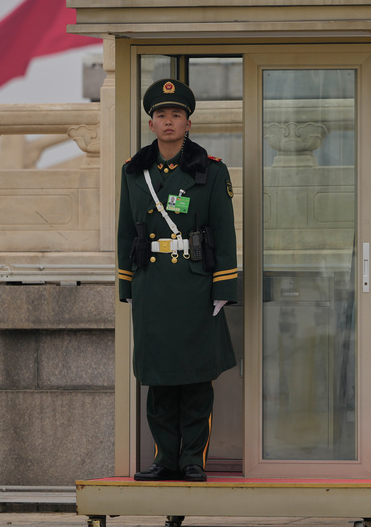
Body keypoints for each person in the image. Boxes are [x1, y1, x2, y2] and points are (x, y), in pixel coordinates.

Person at [117, 78, 238, 483]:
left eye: (176, 115)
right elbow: (124, 234)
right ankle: (164, 458)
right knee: (160, 380)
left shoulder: (211, 171)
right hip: (152, 285)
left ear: (188, 124)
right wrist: (127, 286)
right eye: (160, 115)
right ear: (150, 124)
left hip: (195, 286)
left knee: (195, 379)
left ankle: (192, 459)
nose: (168, 121)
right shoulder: (134, 172)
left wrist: (223, 290)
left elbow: (224, 232)